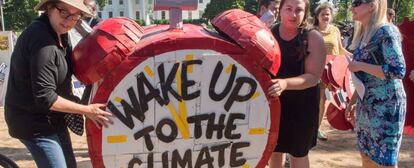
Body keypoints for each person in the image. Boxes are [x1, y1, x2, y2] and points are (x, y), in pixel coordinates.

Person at [4, 0, 113, 167]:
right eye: (64, 12)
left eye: (76, 15)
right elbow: (45, 97)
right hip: (32, 121)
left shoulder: (60, 33)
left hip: (54, 118)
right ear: (49, 7)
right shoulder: (41, 40)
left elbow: (74, 68)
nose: (69, 20)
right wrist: (86, 110)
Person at [346, 0, 406, 167]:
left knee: (384, 161)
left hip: (387, 106)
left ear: (372, 5)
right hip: (366, 103)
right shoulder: (364, 33)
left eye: (357, 2)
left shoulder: (386, 31)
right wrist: (352, 101)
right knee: (366, 155)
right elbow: (364, 77)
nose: (353, 7)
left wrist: (359, 65)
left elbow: (397, 70)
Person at [267, 0, 326, 167]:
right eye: (289, 9)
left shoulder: (313, 37)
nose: (293, 14)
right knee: (274, 150)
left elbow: (314, 77)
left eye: (298, 10)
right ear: (280, 10)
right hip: (275, 102)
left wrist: (285, 84)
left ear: (305, 12)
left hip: (302, 106)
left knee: (298, 153)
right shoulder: (270, 32)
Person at [313, 2, 352, 141]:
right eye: (322, 14)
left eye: (327, 14)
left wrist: (354, 58)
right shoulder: (312, 31)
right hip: (316, 70)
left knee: (324, 100)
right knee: (315, 100)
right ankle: (310, 128)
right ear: (317, 16)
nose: (325, 16)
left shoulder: (335, 30)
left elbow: (340, 49)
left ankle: (316, 129)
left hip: (331, 73)